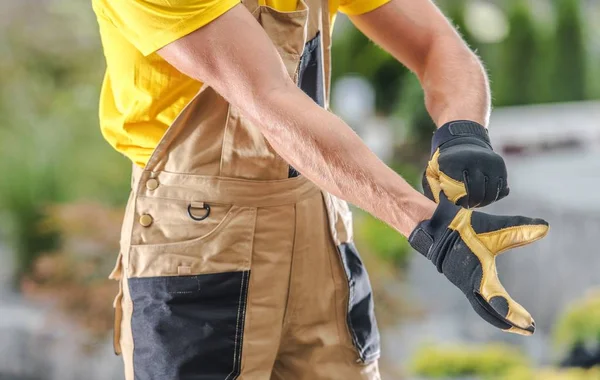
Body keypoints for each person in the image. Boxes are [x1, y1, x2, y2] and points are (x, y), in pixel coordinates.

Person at [92, 0, 549, 379]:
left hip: (316, 219)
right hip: (200, 241)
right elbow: (269, 103)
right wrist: (431, 228)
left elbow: (435, 43)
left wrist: (463, 130)